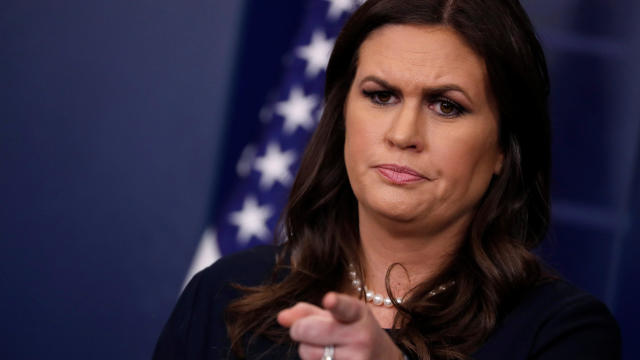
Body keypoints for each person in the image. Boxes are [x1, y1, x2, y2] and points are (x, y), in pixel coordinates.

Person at [153, 0, 621, 359]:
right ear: (342, 116)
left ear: (504, 147)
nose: (403, 135)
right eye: (381, 96)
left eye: (447, 105)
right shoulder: (225, 295)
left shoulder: (562, 335)